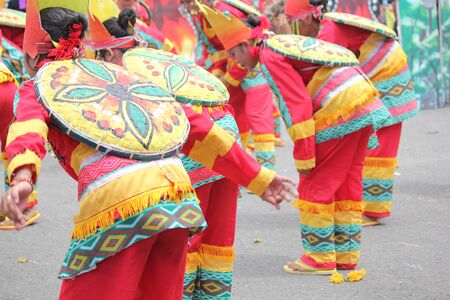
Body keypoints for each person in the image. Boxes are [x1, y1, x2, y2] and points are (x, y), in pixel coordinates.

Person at [1, 1, 294, 298]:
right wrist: (258, 177)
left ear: (29, 56)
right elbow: (196, 127)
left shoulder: (38, 85)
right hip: (178, 195)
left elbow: (27, 128)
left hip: (121, 199)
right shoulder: (120, 74)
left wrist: (23, 178)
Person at [87, 2, 295, 297]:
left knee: (184, 240)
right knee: (217, 240)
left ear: (107, 53)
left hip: (195, 147)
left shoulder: (128, 79)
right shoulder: (153, 54)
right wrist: (254, 175)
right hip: (224, 137)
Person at [201, 5, 392, 273]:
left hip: (338, 106)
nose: (236, 62)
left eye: (234, 54)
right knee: (347, 180)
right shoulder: (275, 43)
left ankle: (319, 257)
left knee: (316, 181)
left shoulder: (269, 55)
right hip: (360, 101)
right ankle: (345, 255)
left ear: (246, 44)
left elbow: (297, 104)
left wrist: (304, 154)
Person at [280, 0, 419, 226]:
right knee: (371, 142)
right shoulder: (325, 28)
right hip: (375, 75)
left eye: (293, 24)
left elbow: (319, 70)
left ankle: (374, 209)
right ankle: (366, 203)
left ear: (306, 18)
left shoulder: (328, 33)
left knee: (379, 145)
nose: (296, 31)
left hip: (386, 74)